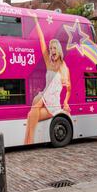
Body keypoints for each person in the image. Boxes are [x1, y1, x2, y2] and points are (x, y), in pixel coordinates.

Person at [24, 13, 71, 145]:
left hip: (53, 104)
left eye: (54, 48)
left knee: (31, 113)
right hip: (43, 96)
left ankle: (29, 142)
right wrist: (36, 22)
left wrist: (66, 102)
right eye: (50, 49)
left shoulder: (63, 68)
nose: (51, 50)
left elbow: (69, 88)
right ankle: (28, 142)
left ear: (58, 49)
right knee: (31, 115)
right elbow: (41, 41)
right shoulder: (49, 63)